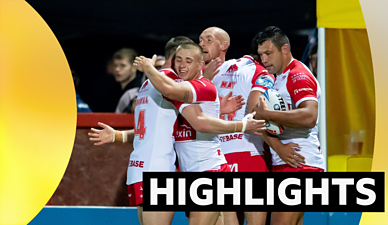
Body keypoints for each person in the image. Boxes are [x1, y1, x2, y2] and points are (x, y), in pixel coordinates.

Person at [90, 38, 265, 225]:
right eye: (180, 59)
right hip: (167, 169)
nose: (182, 65)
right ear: (174, 58)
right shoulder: (170, 83)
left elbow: (197, 121)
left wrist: (228, 117)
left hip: (199, 170)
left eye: (188, 61)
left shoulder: (150, 85)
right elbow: (183, 120)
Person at [200, 27, 305, 225]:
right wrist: (278, 146)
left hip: (218, 156)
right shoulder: (261, 71)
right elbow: (256, 110)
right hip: (249, 154)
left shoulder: (208, 74)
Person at [253, 26, 325, 225]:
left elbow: (310, 115)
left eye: (268, 53)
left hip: (300, 163)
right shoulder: (278, 78)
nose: (264, 59)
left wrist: (266, 113)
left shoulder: (298, 74)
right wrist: (277, 146)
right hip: (289, 163)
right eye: (261, 55)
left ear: (285, 49)